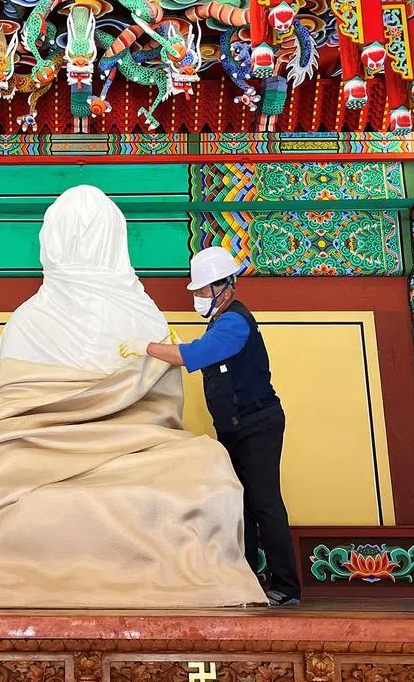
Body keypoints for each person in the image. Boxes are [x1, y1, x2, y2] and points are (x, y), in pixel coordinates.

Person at [0, 186, 266, 607]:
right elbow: (164, 407)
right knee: (203, 472)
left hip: (93, 450)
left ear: (52, 240)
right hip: (123, 457)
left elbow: (5, 406)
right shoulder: (139, 314)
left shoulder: (31, 317)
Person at [146, 246, 301, 607]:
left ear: (223, 287)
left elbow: (193, 356)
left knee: (265, 504)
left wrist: (146, 348)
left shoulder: (234, 322)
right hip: (235, 427)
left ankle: (286, 587)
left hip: (257, 425)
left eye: (201, 290)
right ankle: (246, 578)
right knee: (241, 503)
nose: (198, 297)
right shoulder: (220, 321)